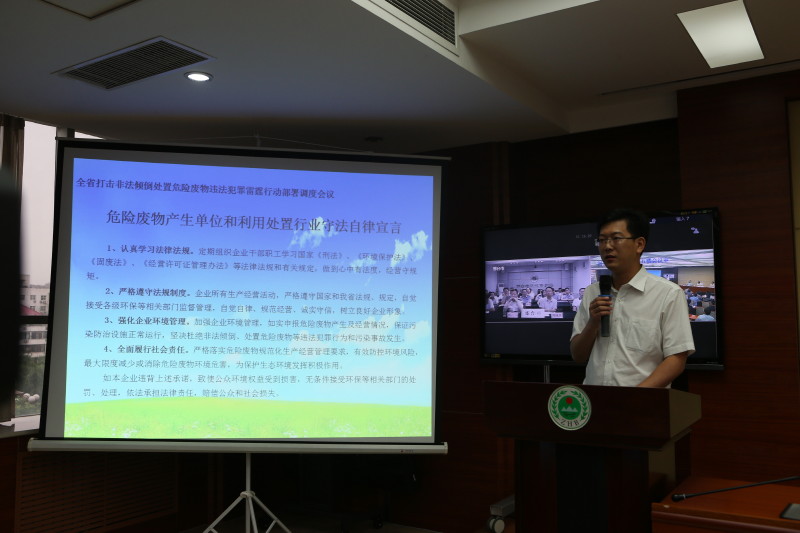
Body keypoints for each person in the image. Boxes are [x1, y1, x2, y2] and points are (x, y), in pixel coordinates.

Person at [570, 209, 695, 387]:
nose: (607, 246)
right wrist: (593, 322)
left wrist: (634, 397)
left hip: (641, 400)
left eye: (616, 238)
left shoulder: (668, 293)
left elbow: (676, 358)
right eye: (602, 240)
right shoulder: (592, 292)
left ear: (639, 244)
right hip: (594, 399)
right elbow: (578, 355)